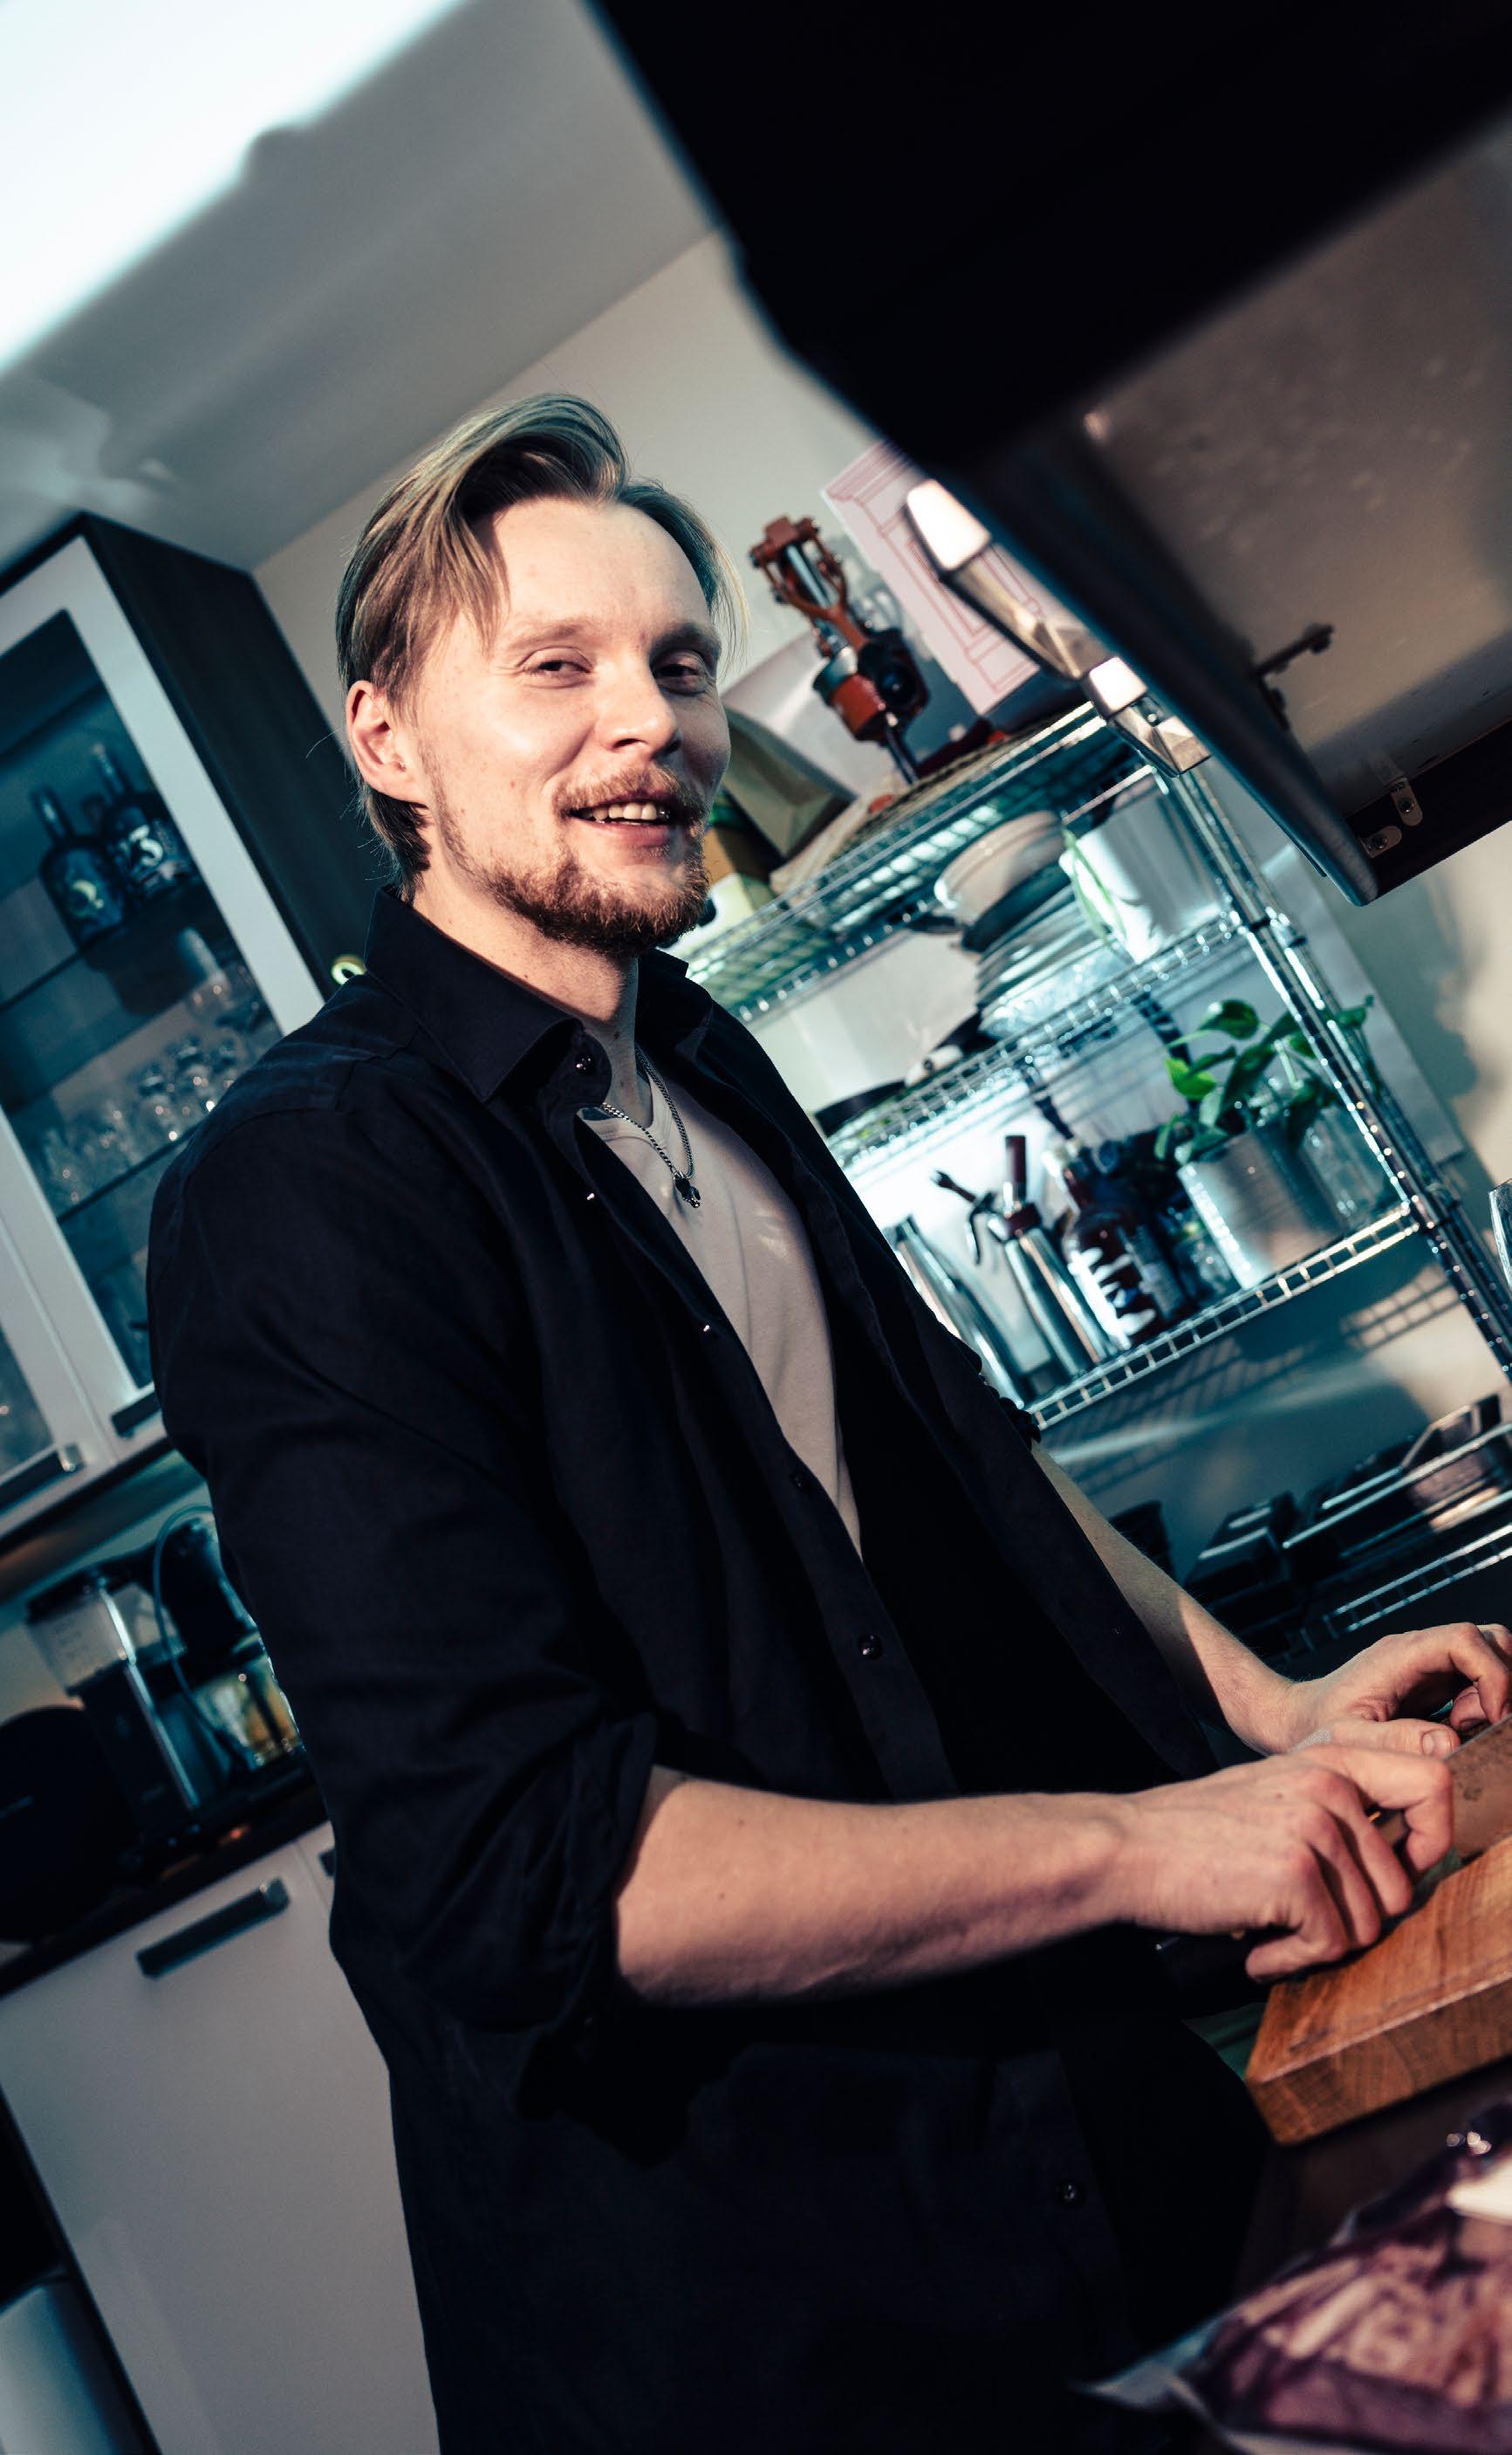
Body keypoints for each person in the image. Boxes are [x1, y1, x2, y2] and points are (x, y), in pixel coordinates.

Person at [147, 396, 1507, 2455]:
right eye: (557, 667)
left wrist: (1272, 1710)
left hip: (1063, 2142)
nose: (653, 721)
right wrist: (1148, 1842)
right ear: (386, 738)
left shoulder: (690, 1055)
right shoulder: (311, 1184)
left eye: (681, 664)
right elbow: (541, 1867)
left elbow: (965, 1453)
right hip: (762, 2299)